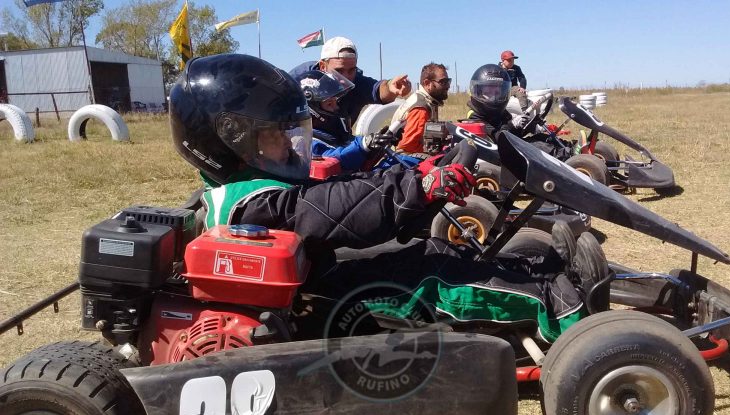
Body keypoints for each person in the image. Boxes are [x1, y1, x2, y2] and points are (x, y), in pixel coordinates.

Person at [170, 54, 607, 343]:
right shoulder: (247, 203)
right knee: (436, 277)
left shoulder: (242, 187)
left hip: (324, 277)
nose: (288, 145)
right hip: (321, 305)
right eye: (274, 136)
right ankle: (567, 315)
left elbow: (337, 192)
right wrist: (419, 186)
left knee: (435, 249)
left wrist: (415, 174)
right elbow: (331, 209)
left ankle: (538, 272)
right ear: (229, 141)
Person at [289, 36, 412, 127]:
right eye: (339, 71)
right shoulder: (298, 80)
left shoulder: (357, 83)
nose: (346, 78)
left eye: (351, 70)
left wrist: (391, 86)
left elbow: (378, 89)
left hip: (340, 144)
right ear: (323, 66)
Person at [296, 69, 392, 172]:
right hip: (339, 180)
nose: (336, 107)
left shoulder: (333, 135)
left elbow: (357, 156)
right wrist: (363, 145)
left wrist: (381, 143)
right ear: (310, 109)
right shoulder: (307, 143)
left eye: (336, 102)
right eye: (330, 104)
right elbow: (334, 161)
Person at [391, 62, 451, 154]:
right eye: (443, 82)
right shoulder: (421, 108)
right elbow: (408, 146)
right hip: (406, 158)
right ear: (427, 83)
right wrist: (435, 153)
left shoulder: (425, 101)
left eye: (448, 81)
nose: (448, 86)